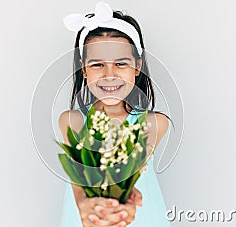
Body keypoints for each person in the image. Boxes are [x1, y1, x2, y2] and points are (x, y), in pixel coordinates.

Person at [58, 2, 172, 226]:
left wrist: (121, 205)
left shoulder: (153, 123)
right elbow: (80, 174)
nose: (109, 75)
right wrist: (85, 205)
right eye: (97, 64)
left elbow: (128, 170)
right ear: (83, 68)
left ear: (137, 66)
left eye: (121, 63)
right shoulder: (73, 121)